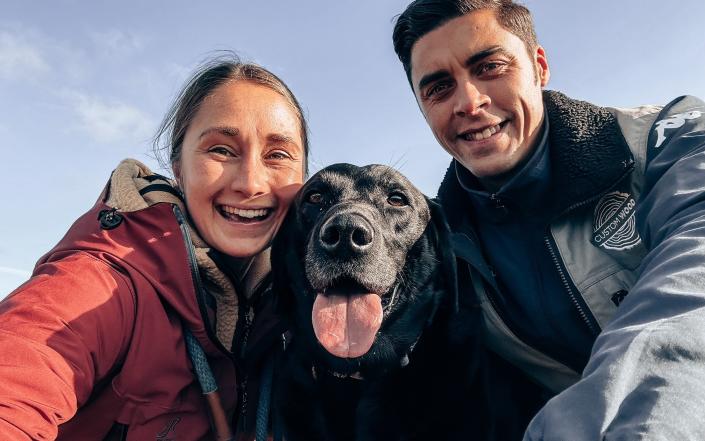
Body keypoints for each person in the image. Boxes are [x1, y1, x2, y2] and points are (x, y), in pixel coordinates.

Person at [393, 1, 705, 439]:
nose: (469, 101)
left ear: (539, 66)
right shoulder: (436, 254)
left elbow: (692, 289)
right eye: (439, 88)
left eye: (490, 67)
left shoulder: (668, 139)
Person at [0, 55, 308, 440]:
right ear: (178, 167)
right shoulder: (108, 278)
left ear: (303, 176)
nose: (250, 183)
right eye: (221, 150)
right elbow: (25, 363)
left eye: (277, 155)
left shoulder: (303, 304)